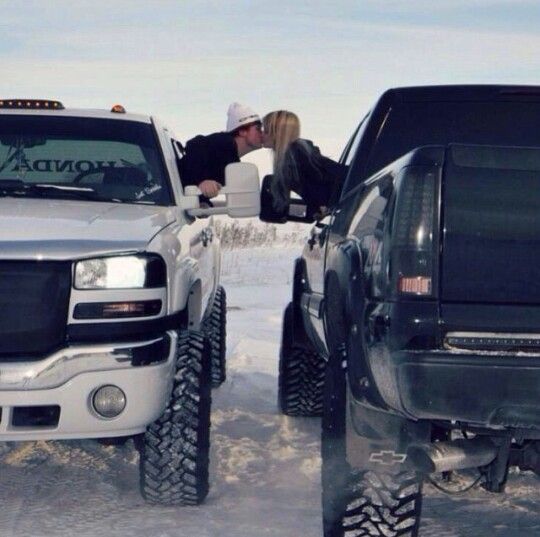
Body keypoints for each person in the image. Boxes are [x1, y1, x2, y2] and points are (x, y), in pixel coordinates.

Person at [262, 110, 347, 219]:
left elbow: (322, 190)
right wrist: (318, 209)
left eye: (266, 131)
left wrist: (321, 208)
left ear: (278, 133)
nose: (261, 134)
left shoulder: (296, 159)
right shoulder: (299, 155)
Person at [180, 102, 263, 198]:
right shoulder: (225, 142)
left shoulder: (232, 162)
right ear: (242, 131)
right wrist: (201, 181)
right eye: (258, 129)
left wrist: (203, 203)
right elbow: (194, 144)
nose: (262, 133)